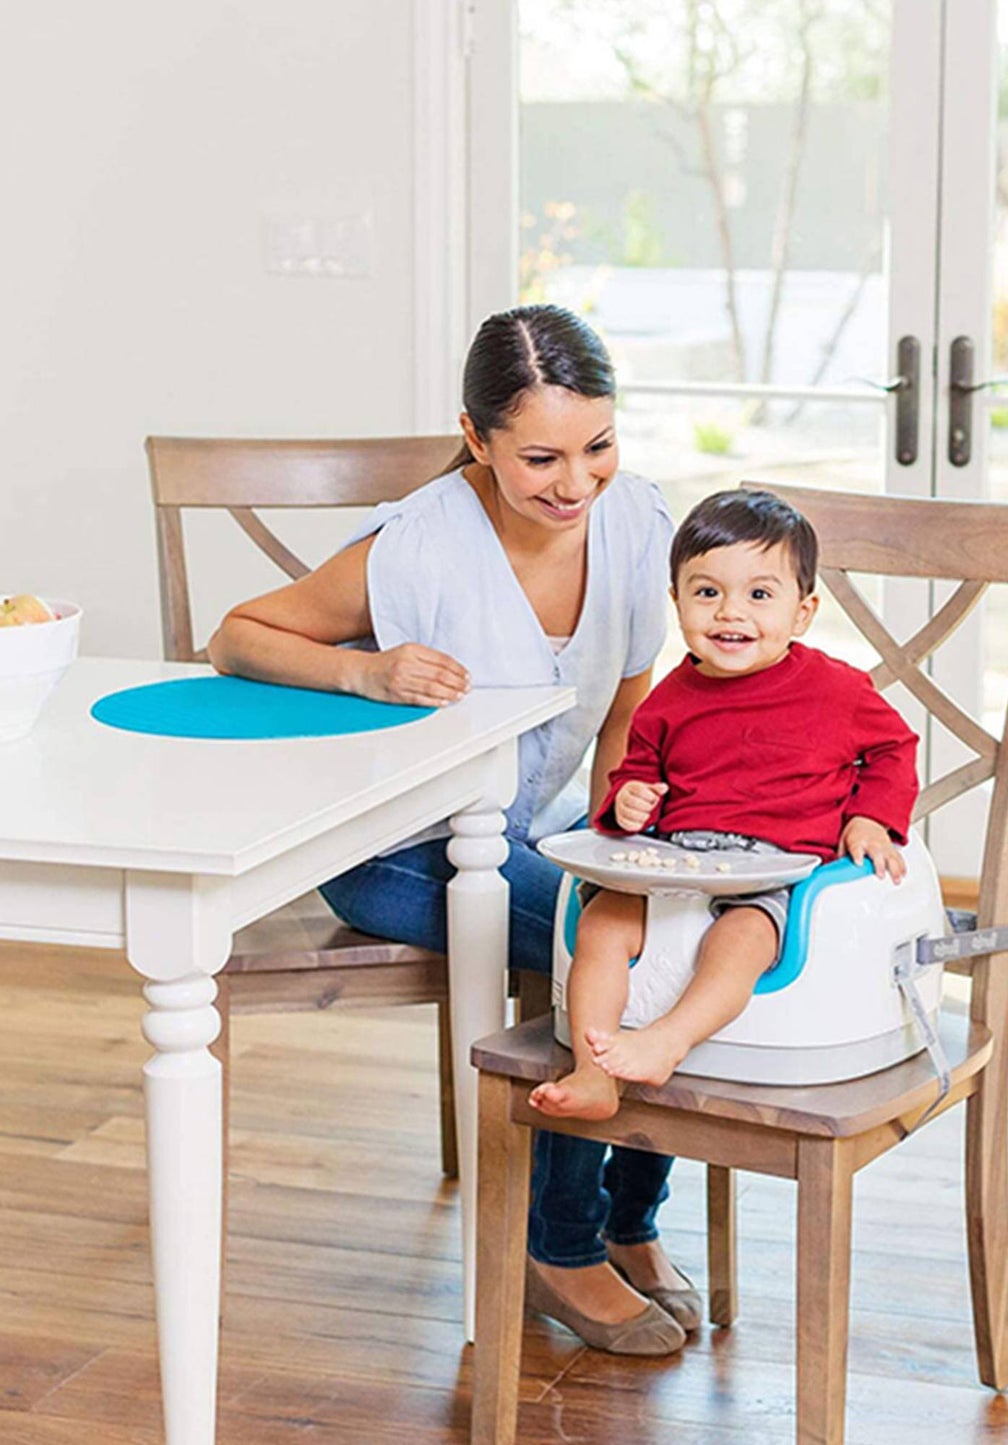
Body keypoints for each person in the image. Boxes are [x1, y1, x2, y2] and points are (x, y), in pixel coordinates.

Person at [207, 303, 696, 1356]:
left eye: (598, 445)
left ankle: (623, 1220)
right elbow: (235, 633)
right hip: (395, 854)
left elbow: (623, 708)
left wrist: (630, 844)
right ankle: (558, 1246)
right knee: (602, 944)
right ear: (475, 438)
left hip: (532, 832)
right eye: (540, 457)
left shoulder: (636, 520)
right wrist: (365, 669)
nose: (575, 482)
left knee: (675, 921)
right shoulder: (417, 545)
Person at [528, 489, 919, 1123]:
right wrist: (628, 803)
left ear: (803, 611)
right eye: (707, 592)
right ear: (676, 601)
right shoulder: (667, 699)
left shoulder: (839, 691)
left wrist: (870, 816)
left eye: (760, 595)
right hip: (674, 862)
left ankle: (667, 1040)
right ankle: (593, 1073)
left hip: (772, 871)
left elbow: (894, 750)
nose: (730, 612)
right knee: (601, 924)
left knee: (739, 942)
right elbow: (637, 775)